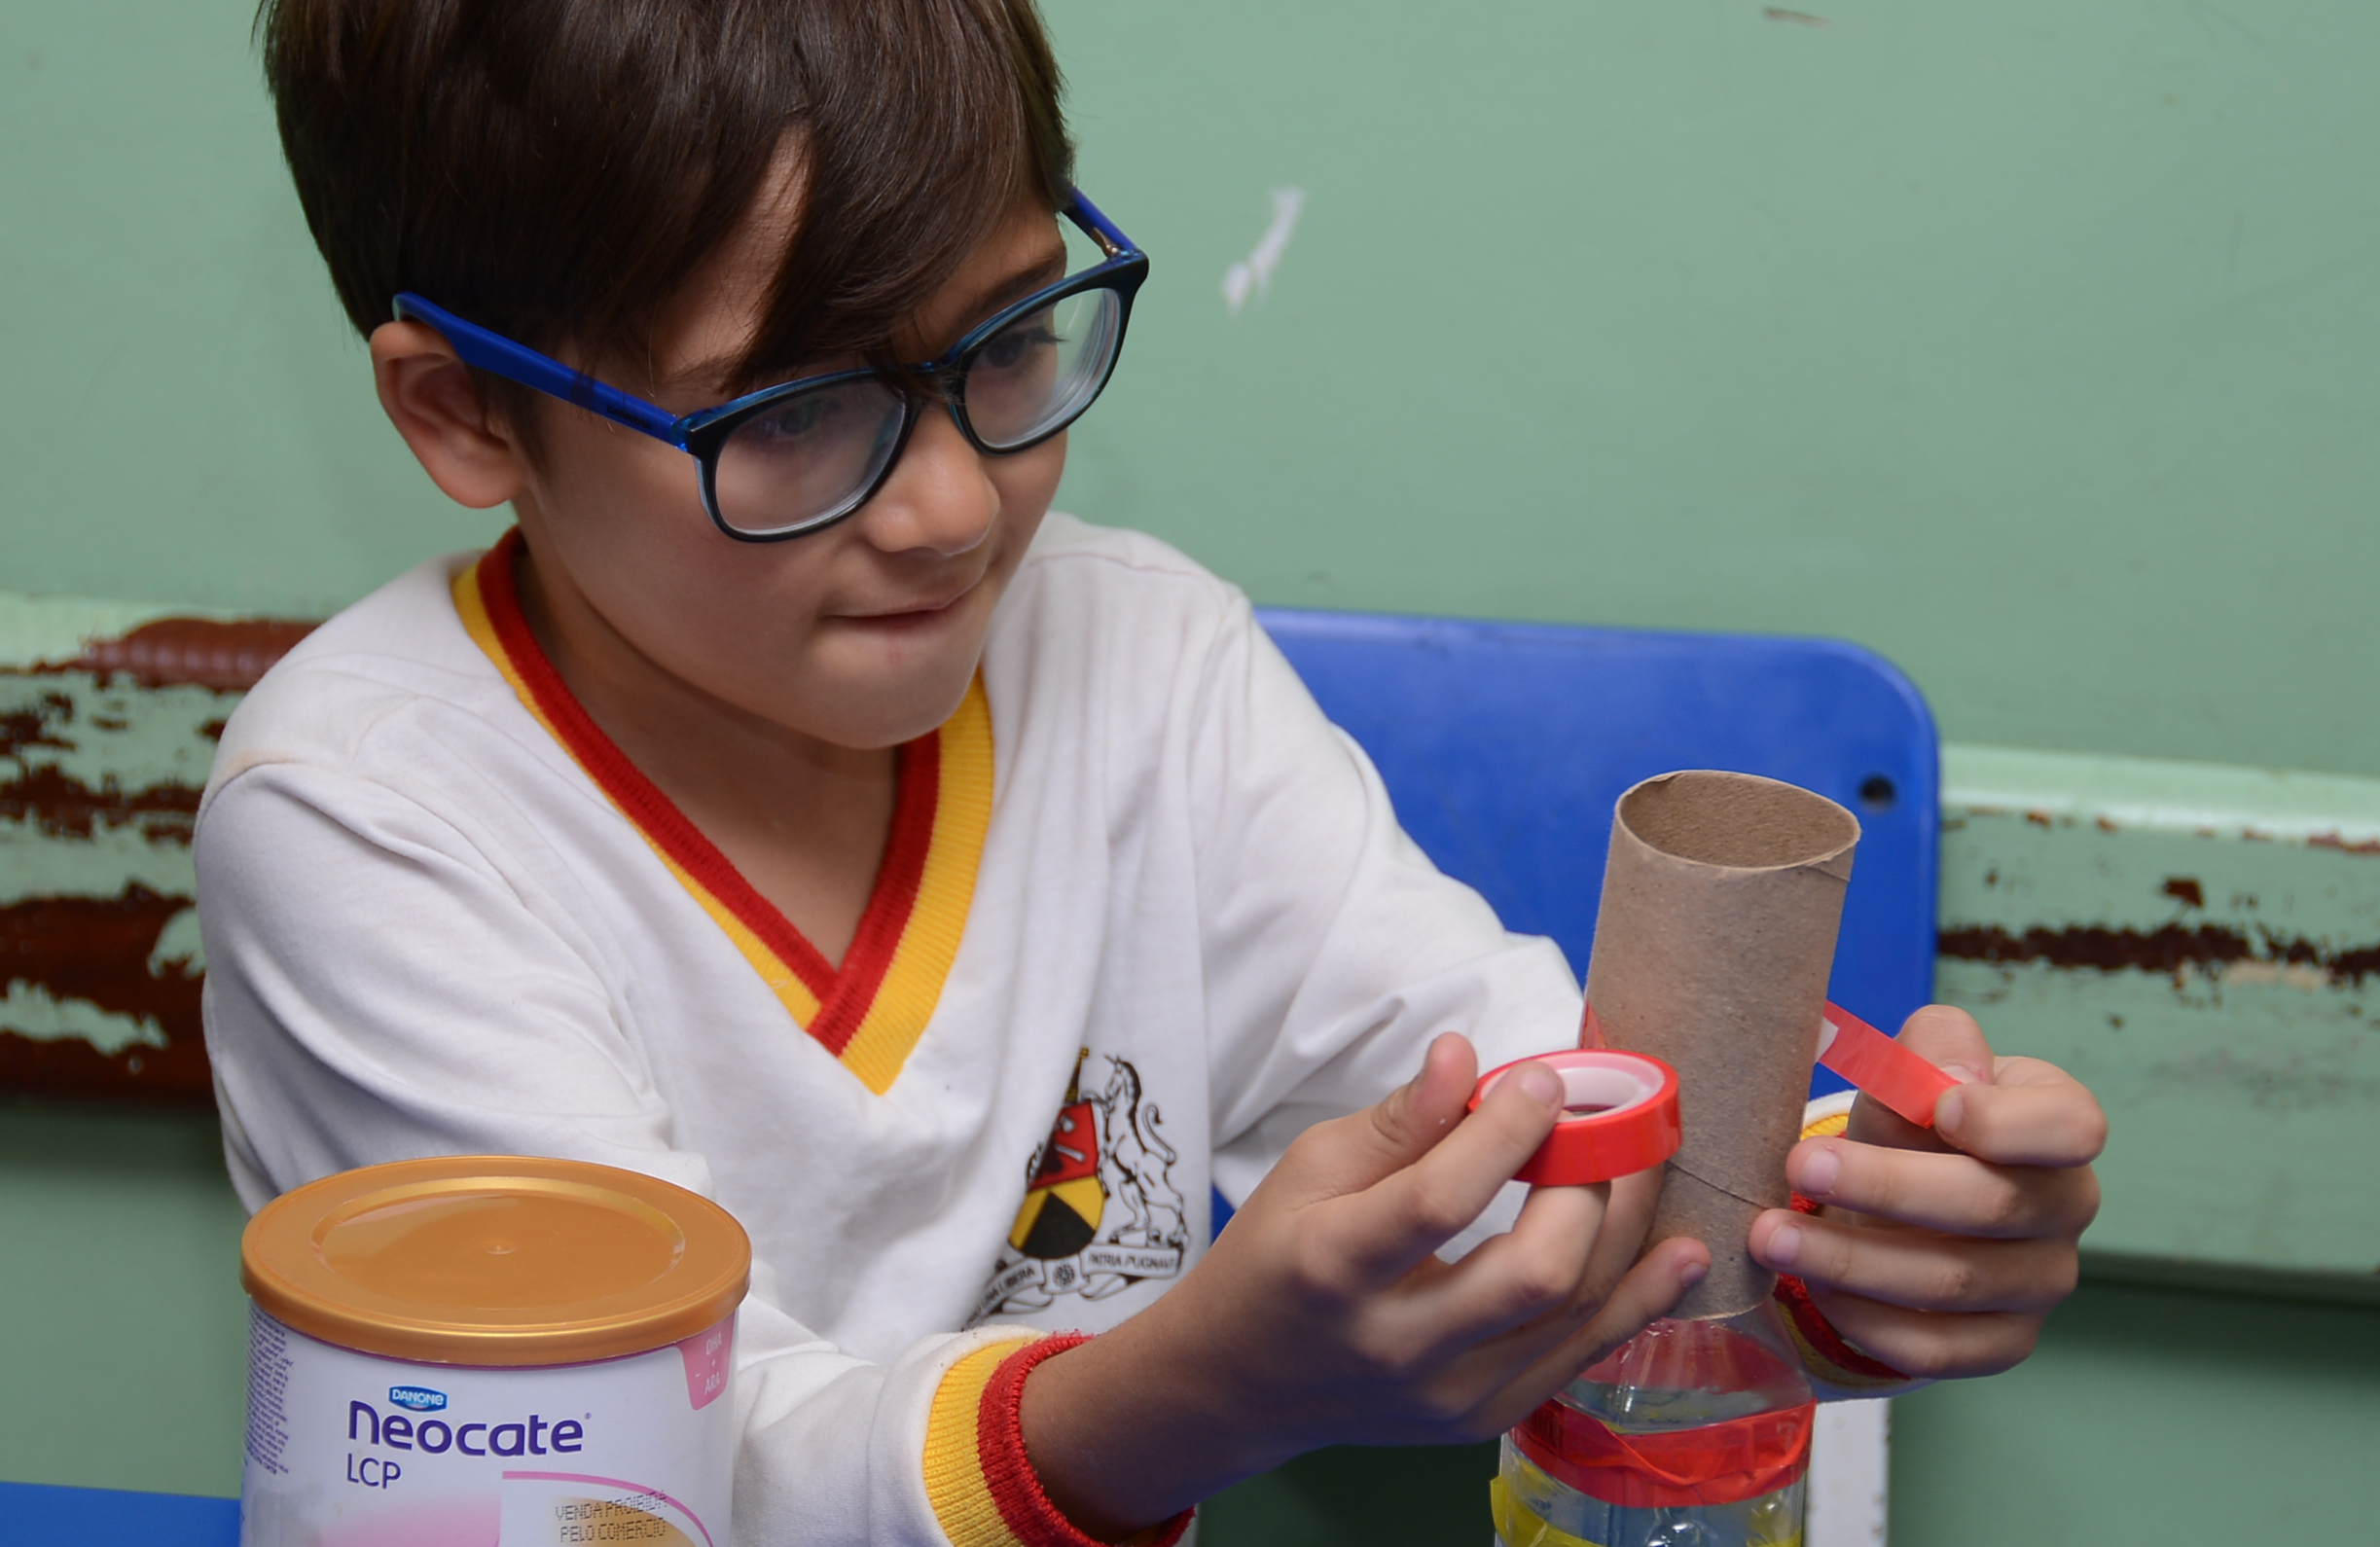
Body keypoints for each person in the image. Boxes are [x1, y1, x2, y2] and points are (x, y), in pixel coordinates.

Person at [200, 2, 2107, 1543]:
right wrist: (1188, 1394)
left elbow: (1508, 1117)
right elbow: (642, 1491)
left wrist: (1845, 1237)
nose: (953, 508)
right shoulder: (367, 819)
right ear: (467, 410)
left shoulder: (1141, 661)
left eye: (1005, 340)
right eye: (790, 414)